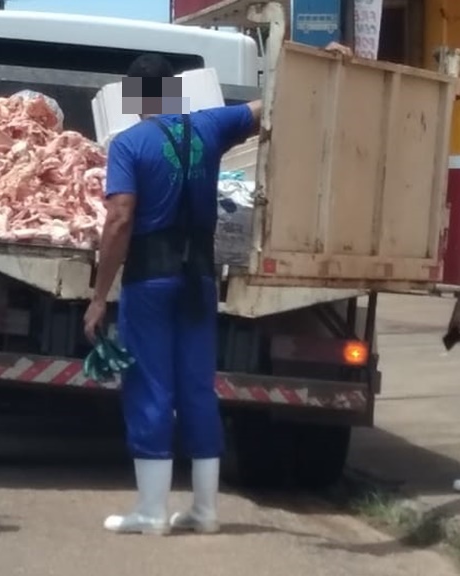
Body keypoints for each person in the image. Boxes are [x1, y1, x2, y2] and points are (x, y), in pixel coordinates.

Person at [83, 44, 353, 536]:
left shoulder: (128, 144)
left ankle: (150, 512)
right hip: (200, 279)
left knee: (149, 386)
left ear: (132, 96)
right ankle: (205, 512)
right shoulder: (209, 127)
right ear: (173, 91)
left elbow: (120, 218)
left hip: (151, 279)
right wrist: (323, 60)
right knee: (196, 388)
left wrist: (100, 295)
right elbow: (272, 104)